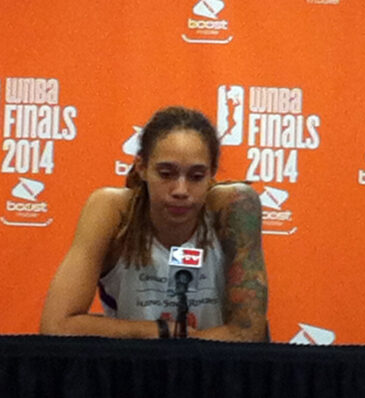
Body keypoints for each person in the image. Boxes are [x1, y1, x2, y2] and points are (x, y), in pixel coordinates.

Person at [40, 106, 268, 341]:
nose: (181, 190)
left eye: (196, 177)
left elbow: (249, 333)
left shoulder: (234, 206)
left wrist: (173, 347)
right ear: (142, 168)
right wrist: (158, 332)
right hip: (134, 369)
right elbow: (56, 325)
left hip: (213, 370)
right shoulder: (113, 210)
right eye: (166, 174)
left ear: (212, 174)